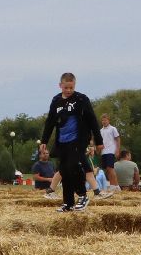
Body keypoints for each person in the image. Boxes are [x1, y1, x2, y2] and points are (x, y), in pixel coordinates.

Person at [39, 71, 100, 212]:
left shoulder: (80, 99)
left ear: (74, 86)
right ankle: (68, 203)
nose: (68, 90)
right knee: (65, 170)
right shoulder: (56, 101)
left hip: (78, 140)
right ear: (60, 85)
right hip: (62, 142)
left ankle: (83, 195)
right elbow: (50, 122)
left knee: (72, 167)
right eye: (66, 88)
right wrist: (44, 140)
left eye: (71, 88)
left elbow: (92, 120)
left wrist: (98, 139)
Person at [97, 114, 120, 197]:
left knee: (111, 168)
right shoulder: (100, 131)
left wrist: (117, 150)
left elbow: (117, 139)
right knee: (107, 169)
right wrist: (99, 150)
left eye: (105, 120)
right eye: (102, 120)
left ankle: (116, 186)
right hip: (104, 151)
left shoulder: (113, 129)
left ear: (108, 120)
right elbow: (99, 142)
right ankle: (112, 185)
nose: (104, 121)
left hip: (111, 150)